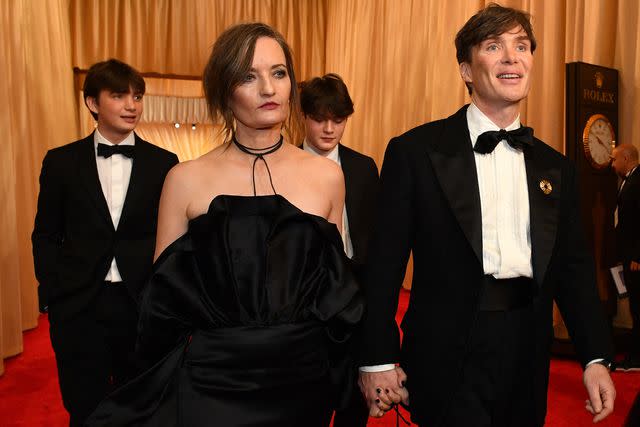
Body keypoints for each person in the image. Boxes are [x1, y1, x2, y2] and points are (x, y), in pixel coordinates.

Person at [84, 23, 363, 427]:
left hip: (302, 379)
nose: (269, 89)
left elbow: (332, 291)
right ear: (224, 92)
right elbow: (161, 305)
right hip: (213, 380)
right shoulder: (185, 179)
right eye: (249, 76)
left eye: (279, 73)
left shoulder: (327, 177)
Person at [357, 4, 616, 427]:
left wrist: (594, 356)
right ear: (466, 69)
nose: (512, 57)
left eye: (521, 46)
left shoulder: (557, 167)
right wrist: (377, 357)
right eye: (494, 46)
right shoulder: (416, 152)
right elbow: (384, 268)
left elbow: (573, 269)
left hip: (528, 348)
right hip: (447, 350)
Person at [31, 58, 179, 427]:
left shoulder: (165, 163)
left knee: (142, 407)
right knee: (84, 407)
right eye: (119, 95)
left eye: (138, 97)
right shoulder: (61, 162)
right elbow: (46, 234)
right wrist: (53, 293)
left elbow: (173, 238)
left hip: (140, 304)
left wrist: (162, 298)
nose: (132, 105)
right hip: (80, 305)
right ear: (93, 103)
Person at [299, 73, 379, 427]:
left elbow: (375, 235)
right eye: (319, 118)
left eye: (339, 119)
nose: (329, 128)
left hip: (355, 291)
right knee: (307, 396)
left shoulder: (363, 167)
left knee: (353, 401)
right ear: (302, 116)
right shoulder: (282, 165)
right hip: (304, 296)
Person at [611, 143, 640, 371]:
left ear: (627, 158)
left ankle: (636, 358)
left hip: (636, 260)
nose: (612, 164)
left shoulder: (638, 181)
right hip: (628, 255)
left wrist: (638, 256)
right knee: (635, 308)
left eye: (614, 159)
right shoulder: (628, 180)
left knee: (638, 309)